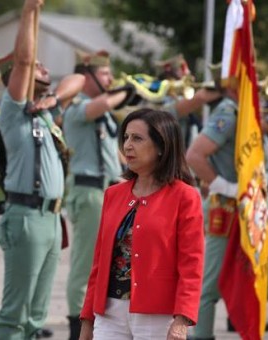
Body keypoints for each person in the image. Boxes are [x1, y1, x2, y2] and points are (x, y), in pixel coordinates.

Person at [0, 0, 85, 338]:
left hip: (50, 218)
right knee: (15, 312)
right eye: (39, 67)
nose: (43, 68)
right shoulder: (16, 111)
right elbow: (25, 60)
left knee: (37, 315)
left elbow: (78, 78)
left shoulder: (45, 114)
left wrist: (54, 100)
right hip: (26, 215)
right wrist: (31, 10)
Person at [80, 108, 204, 340]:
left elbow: (192, 265)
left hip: (158, 315)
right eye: (126, 137)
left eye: (137, 138)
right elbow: (98, 264)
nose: (127, 145)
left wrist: (182, 320)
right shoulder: (113, 194)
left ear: (161, 146)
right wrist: (87, 320)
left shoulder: (185, 196)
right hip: (109, 313)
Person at [61, 49, 130, 340]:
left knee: (109, 261)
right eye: (104, 73)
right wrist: (127, 92)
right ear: (86, 76)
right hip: (89, 192)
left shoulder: (104, 114)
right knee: (86, 261)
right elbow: (99, 105)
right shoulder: (77, 108)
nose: (110, 79)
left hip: (108, 190)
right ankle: (77, 325)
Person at [185, 67, 241, 340]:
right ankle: (201, 335)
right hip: (226, 206)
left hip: (245, 207)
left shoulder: (244, 112)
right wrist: (225, 186)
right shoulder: (228, 112)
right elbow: (194, 155)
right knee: (211, 282)